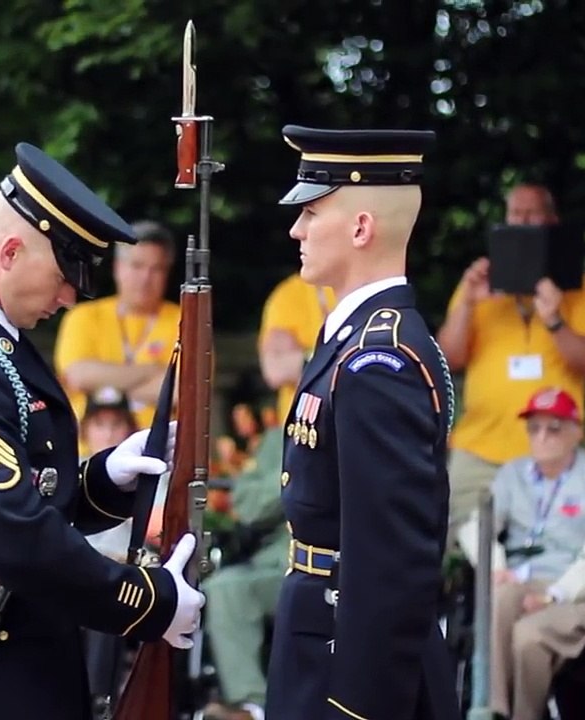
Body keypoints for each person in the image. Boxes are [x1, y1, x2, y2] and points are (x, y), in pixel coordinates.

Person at [0, 142, 204, 719]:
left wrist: (106, 478)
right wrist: (148, 601)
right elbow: (16, 532)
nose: (69, 298)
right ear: (10, 251)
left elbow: (28, 488)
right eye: (65, 276)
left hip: (23, 640)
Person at [264, 125, 457, 720]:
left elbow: (391, 558)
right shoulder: (353, 337)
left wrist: (358, 705)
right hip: (321, 628)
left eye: (311, 212)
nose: (296, 228)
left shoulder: (379, 359)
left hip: (348, 659)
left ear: (361, 227)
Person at [436, 183, 585, 537]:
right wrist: (468, 303)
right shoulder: (480, 281)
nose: (523, 221)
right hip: (479, 450)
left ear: (552, 221)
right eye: (516, 214)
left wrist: (555, 319)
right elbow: (448, 359)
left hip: (552, 449)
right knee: (469, 555)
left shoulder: (582, 287)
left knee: (545, 554)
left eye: (532, 214)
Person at [456, 388, 585, 720]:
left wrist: (554, 595)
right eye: (534, 428)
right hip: (522, 579)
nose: (542, 437)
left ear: (577, 431)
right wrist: (496, 567)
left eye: (554, 428)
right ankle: (490, 711)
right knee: (499, 598)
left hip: (580, 591)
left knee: (527, 637)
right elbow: (477, 527)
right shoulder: (511, 474)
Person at [54, 219, 179, 447]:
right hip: (85, 451)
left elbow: (181, 389)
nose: (145, 278)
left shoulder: (183, 320)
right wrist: (154, 371)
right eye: (137, 266)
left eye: (156, 269)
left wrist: (106, 386)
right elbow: (78, 375)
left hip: (157, 452)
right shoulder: (83, 316)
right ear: (118, 268)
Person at [200, 424, 289, 720]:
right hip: (279, 567)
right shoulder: (283, 439)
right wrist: (295, 476)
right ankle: (253, 708)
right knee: (226, 586)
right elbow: (247, 505)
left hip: (350, 567)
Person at [258, 273, 336, 423]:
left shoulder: (374, 285)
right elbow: (276, 369)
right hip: (301, 429)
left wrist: (307, 359)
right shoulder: (288, 296)